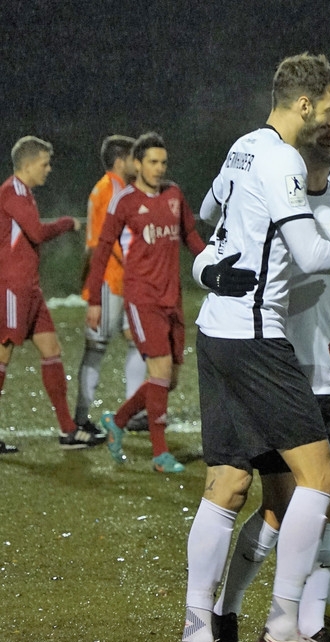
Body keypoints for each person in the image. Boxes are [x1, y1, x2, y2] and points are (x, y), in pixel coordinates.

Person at [170, 52, 330, 642]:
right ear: (305, 104)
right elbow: (310, 252)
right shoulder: (282, 160)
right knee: (320, 478)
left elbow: (208, 216)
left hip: (216, 331)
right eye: (327, 105)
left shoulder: (243, 147)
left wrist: (209, 267)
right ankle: (282, 630)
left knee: (227, 484)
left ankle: (197, 640)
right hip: (255, 337)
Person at [208, 82, 330, 642]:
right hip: (281, 366)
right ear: (306, 119)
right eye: (329, 120)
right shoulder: (270, 179)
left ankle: (310, 619)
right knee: (284, 501)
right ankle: (233, 616)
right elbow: (218, 236)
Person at [86, 132, 206, 474]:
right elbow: (102, 249)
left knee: (169, 380)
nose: (159, 168)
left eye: (163, 162)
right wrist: (94, 299)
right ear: (137, 164)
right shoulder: (124, 201)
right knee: (160, 371)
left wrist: (212, 265)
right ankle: (160, 455)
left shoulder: (173, 194)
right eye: (152, 162)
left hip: (172, 298)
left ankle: (117, 420)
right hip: (142, 298)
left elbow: (190, 236)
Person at [0, 136, 103, 453]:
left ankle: (67, 430)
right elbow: (37, 232)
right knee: (2, 356)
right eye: (45, 164)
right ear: (29, 164)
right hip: (12, 289)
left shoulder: (24, 193)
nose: (49, 169)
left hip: (30, 289)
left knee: (52, 350)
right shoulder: (12, 192)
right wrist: (66, 223)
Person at [75, 135, 148, 436]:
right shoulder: (110, 190)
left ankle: (135, 412)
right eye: (133, 158)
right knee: (96, 348)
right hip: (110, 279)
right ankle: (80, 419)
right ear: (121, 161)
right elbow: (109, 241)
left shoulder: (116, 188)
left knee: (138, 341)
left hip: (122, 281)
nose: (137, 164)